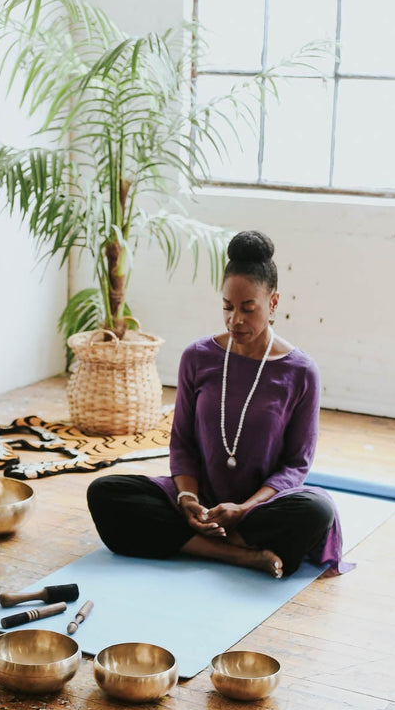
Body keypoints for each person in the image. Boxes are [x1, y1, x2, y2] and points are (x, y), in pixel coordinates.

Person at [87, 229, 350, 578]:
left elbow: (296, 464)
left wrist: (243, 508)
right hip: (200, 499)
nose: (235, 320)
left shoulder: (301, 372)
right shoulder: (198, 357)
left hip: (258, 508)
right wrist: (187, 500)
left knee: (316, 510)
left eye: (248, 308)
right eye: (227, 307)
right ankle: (238, 553)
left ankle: (198, 542)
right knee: (105, 492)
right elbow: (181, 442)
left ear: (273, 303)